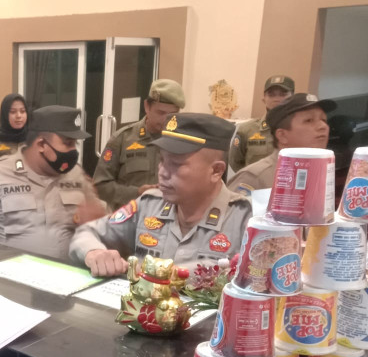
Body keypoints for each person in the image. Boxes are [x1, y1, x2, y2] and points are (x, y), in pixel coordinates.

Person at [71, 113, 252, 276]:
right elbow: (86, 233)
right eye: (162, 160)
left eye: (176, 164)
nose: (163, 172)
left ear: (216, 171)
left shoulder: (246, 219)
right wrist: (95, 253)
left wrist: (173, 274)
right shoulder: (149, 204)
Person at [0, 105, 107, 261]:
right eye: (68, 143)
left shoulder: (76, 174)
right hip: (12, 274)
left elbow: (100, 221)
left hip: (69, 273)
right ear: (41, 145)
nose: (73, 151)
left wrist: (97, 222)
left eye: (75, 144)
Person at [93, 79, 185, 209]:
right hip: (130, 216)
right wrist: (136, 193)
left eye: (172, 114)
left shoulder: (183, 143)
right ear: (147, 107)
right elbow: (99, 186)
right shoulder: (122, 139)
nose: (166, 119)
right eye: (160, 113)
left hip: (168, 217)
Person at [229, 93, 335, 195]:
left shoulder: (323, 173)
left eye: (324, 120)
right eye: (309, 120)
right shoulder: (255, 179)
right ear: (282, 135)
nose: (323, 126)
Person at [229, 75, 294, 173]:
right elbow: (235, 162)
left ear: (293, 97)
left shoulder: (300, 130)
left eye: (283, 94)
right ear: (264, 99)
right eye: (271, 95)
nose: (277, 99)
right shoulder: (247, 129)